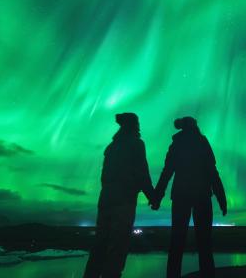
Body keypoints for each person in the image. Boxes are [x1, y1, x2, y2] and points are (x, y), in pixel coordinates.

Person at [151, 116, 227, 278]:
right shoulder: (202, 142)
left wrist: (157, 196)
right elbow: (213, 173)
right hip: (202, 196)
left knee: (177, 242)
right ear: (194, 126)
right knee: (204, 243)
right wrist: (221, 198)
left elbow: (167, 172)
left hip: (181, 196)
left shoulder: (177, 144)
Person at [83, 113, 155, 278]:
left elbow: (105, 176)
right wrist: (152, 196)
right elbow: (142, 173)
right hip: (124, 201)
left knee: (99, 246)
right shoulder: (136, 144)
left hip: (106, 199)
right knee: (118, 247)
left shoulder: (112, 147)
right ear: (134, 125)